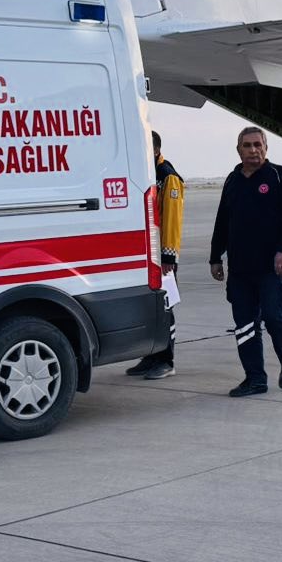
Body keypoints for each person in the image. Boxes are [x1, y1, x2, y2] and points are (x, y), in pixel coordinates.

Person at [209, 126, 282, 397]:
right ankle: (255, 378)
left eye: (257, 145)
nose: (253, 150)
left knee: (275, 318)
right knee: (245, 326)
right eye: (247, 146)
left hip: (272, 268)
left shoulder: (279, 176)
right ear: (239, 150)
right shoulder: (232, 180)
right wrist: (216, 257)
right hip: (240, 270)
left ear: (266, 148)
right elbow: (222, 221)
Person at [127, 131, 184, 380]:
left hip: (163, 258)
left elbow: (172, 220)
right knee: (150, 309)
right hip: (150, 255)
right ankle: (151, 356)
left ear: (155, 149)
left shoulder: (167, 177)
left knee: (165, 308)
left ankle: (166, 360)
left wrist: (168, 257)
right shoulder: (149, 175)